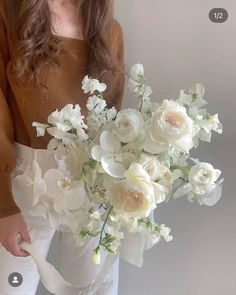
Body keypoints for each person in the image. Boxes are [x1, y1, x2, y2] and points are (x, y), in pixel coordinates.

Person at [0, 0, 125, 294]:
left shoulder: (110, 30)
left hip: (94, 192)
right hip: (24, 188)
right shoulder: (8, 14)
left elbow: (114, 120)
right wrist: (4, 206)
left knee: (94, 290)